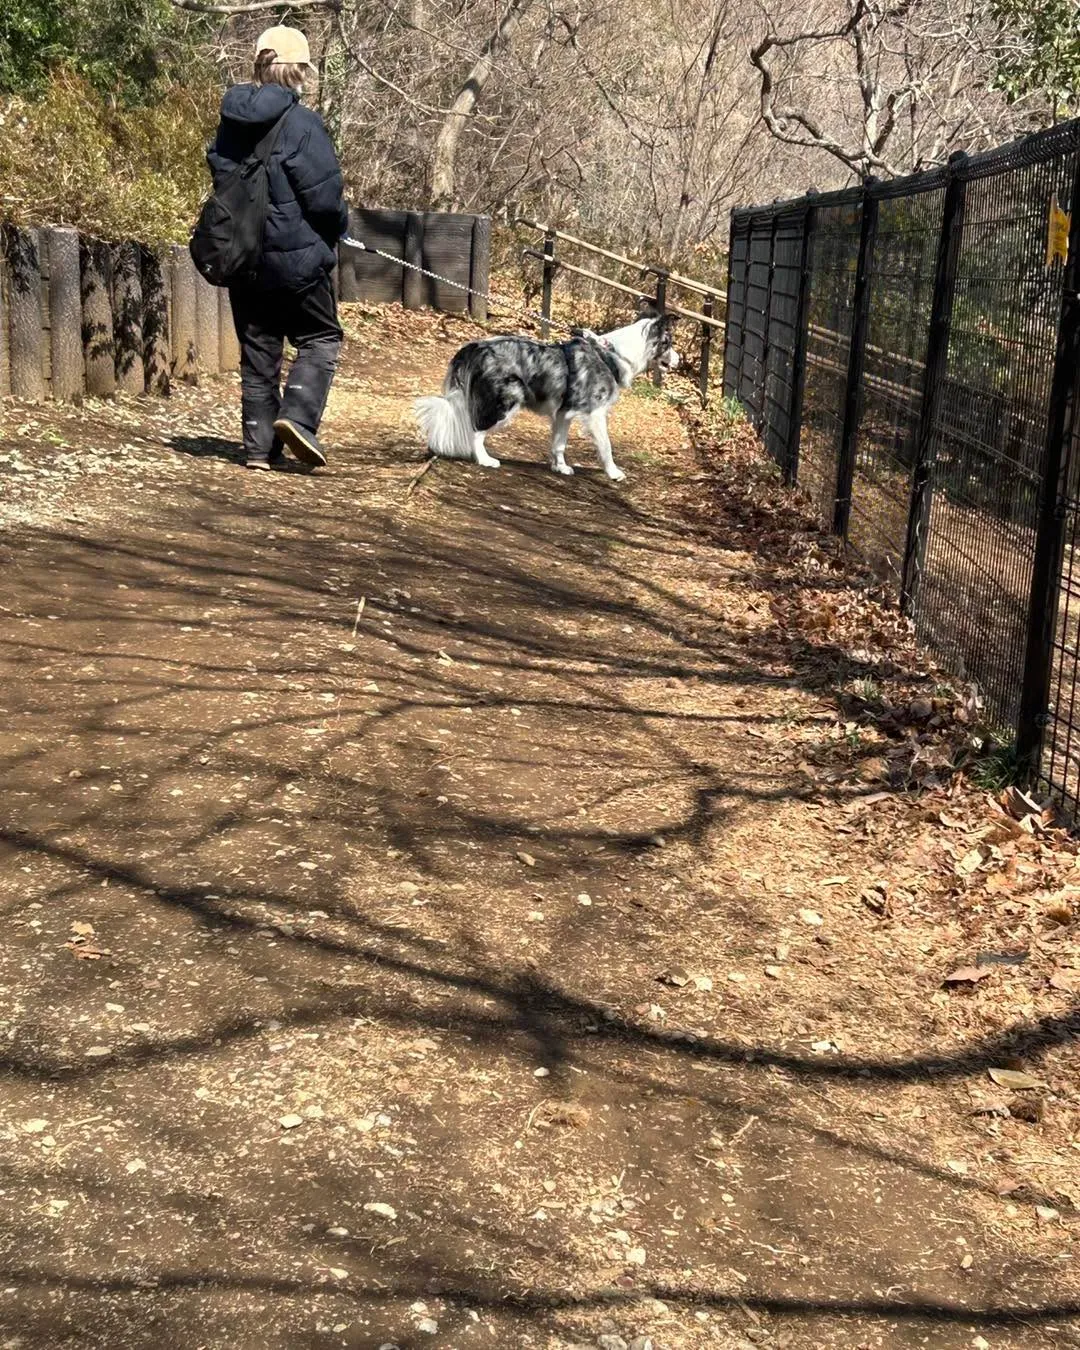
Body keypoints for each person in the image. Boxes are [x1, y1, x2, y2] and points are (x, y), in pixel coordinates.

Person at [207, 26, 348, 470]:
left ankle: (257, 451)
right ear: (300, 70)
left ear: (260, 64)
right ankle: (298, 421)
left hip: (243, 256)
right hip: (299, 262)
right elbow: (325, 199)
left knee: (259, 353)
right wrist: (341, 227)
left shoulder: (230, 122)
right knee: (321, 338)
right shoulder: (303, 123)